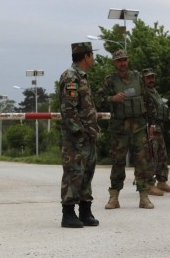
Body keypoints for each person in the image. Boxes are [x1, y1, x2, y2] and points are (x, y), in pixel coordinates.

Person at [97, 49, 155, 210]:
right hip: (119, 129)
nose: (122, 63)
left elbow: (148, 100)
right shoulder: (110, 81)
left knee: (142, 162)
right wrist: (112, 99)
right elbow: (98, 100)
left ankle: (144, 197)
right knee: (117, 162)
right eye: (119, 61)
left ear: (128, 61)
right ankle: (114, 197)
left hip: (139, 128)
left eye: (124, 60)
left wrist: (152, 125)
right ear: (114, 63)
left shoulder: (138, 78)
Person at [58, 42, 100, 228]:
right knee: (73, 172)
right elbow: (69, 108)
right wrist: (79, 131)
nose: (93, 59)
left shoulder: (82, 77)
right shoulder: (71, 76)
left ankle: (85, 211)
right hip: (77, 136)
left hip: (88, 135)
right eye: (92, 55)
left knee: (87, 172)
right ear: (86, 56)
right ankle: (68, 214)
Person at [142, 68, 170, 194]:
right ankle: (148, 184)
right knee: (151, 156)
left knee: (162, 155)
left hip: (158, 127)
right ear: (143, 79)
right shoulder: (143, 92)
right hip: (149, 127)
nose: (151, 79)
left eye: (152, 77)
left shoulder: (153, 91)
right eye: (148, 77)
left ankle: (162, 182)